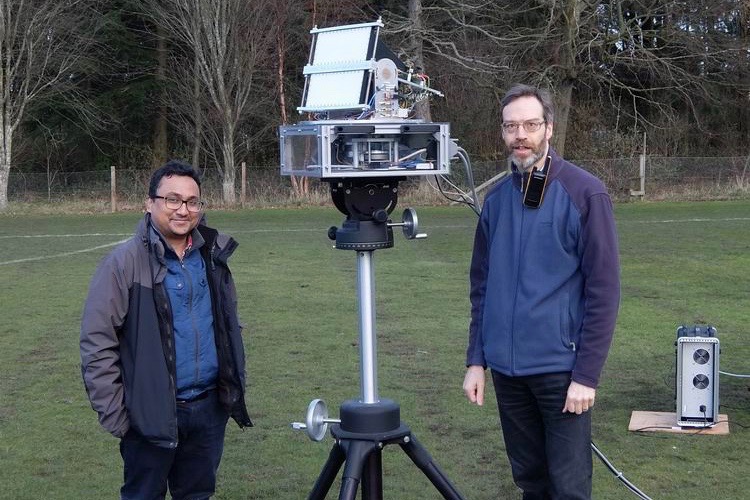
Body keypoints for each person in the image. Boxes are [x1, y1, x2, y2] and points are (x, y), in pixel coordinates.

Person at [462, 84, 620, 499]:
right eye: (511, 126)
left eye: (530, 125)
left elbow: (604, 291)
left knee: (568, 488)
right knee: (530, 481)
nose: (521, 135)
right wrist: (477, 360)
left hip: (560, 372)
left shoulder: (585, 193)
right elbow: (482, 287)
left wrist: (586, 375)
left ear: (548, 128)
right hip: (507, 374)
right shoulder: (495, 202)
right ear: (502, 132)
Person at [80, 160, 252, 499]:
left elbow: (229, 324)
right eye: (172, 199)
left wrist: (230, 385)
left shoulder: (212, 255)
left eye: (191, 201)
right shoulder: (123, 264)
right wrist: (119, 417)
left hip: (207, 410)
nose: (183, 210)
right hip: (149, 415)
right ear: (150, 203)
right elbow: (97, 344)